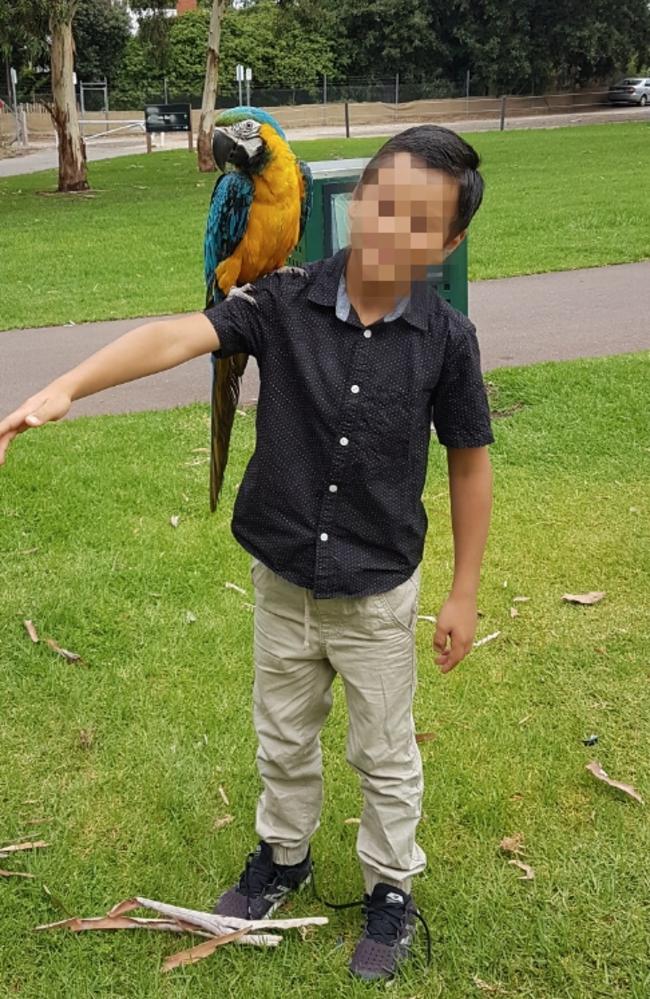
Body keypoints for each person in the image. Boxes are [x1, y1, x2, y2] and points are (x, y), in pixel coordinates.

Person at [0, 124, 494, 983]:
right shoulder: (282, 297)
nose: (389, 229)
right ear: (354, 200)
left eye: (419, 221)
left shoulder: (446, 341)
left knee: (384, 753)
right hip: (283, 582)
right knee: (283, 738)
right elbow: (176, 337)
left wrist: (464, 590)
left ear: (448, 243)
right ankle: (283, 855)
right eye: (382, 202)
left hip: (379, 593)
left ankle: (389, 889)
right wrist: (67, 384)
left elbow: (469, 461)